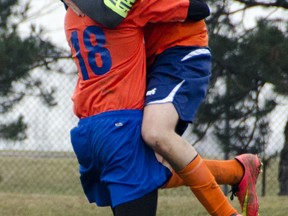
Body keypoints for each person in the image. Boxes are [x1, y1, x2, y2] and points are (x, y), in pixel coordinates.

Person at [62, 0, 261, 215]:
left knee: (155, 133)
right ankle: (237, 171)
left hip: (179, 52)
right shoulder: (92, 13)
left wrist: (117, 7)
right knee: (154, 165)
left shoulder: (114, 11)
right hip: (148, 58)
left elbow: (199, 8)